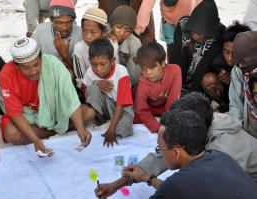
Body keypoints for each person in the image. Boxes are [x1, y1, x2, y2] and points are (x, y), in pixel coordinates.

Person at [95, 92, 257, 197]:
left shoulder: (224, 150)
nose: (162, 152)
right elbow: (163, 156)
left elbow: (183, 189)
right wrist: (118, 184)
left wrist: (150, 179)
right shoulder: (203, 139)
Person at [0, 38, 91, 155]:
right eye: (26, 68)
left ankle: (51, 129)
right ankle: (53, 131)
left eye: (36, 65)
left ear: (42, 58)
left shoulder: (53, 64)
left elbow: (69, 96)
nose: (33, 71)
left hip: (55, 111)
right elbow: (15, 113)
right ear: (17, 67)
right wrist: (35, 140)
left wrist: (80, 128)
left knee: (89, 113)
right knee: (12, 134)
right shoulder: (7, 74)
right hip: (28, 115)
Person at [81, 38, 134, 147]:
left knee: (125, 126)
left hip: (122, 107)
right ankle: (100, 118)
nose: (98, 68)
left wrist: (112, 128)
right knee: (92, 89)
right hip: (105, 105)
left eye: (102, 64)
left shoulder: (121, 71)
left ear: (112, 61)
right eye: (94, 64)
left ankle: (113, 126)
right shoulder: (90, 71)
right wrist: (96, 83)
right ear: (89, 60)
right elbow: (85, 92)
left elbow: (121, 104)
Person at [172, 0, 224, 95]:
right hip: (181, 77)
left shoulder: (218, 36)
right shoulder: (183, 26)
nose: (195, 36)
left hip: (201, 81)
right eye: (193, 31)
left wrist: (194, 94)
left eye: (199, 33)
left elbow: (204, 65)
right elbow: (175, 56)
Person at [201, 21, 251, 112]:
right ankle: (223, 106)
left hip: (248, 100)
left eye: (235, 52)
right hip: (229, 98)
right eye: (226, 52)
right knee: (208, 80)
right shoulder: (219, 63)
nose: (230, 58)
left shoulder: (252, 61)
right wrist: (222, 79)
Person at [134, 42, 181, 133]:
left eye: (152, 68)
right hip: (150, 109)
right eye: (143, 68)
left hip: (167, 107)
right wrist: (158, 128)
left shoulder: (175, 70)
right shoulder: (143, 83)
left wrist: (169, 122)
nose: (148, 73)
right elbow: (141, 109)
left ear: (162, 63)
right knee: (136, 119)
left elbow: (173, 99)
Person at [32, 0, 82, 77]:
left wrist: (65, 55)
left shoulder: (80, 34)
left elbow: (81, 72)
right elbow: (32, 65)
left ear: (73, 20)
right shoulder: (40, 32)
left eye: (68, 22)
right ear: (51, 19)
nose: (64, 27)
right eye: (59, 23)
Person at [72, 7, 119, 89]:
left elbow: (116, 72)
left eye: (93, 32)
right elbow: (81, 81)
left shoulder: (112, 45)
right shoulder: (79, 48)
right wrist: (95, 83)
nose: (88, 36)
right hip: (90, 90)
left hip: (111, 88)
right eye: (84, 31)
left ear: (104, 32)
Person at [229, 30, 257, 138]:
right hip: (249, 128)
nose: (240, 65)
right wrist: (235, 129)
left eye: (244, 62)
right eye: (238, 61)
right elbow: (235, 104)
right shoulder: (238, 71)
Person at [109, 5, 142, 86]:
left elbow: (133, 78)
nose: (122, 33)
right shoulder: (103, 32)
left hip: (124, 84)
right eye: (119, 27)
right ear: (112, 25)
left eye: (127, 30)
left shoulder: (135, 43)